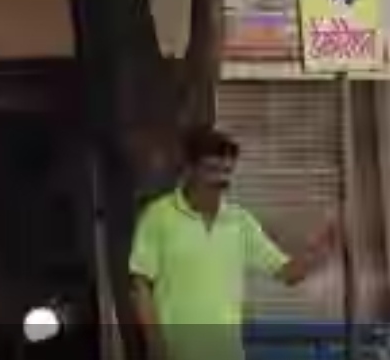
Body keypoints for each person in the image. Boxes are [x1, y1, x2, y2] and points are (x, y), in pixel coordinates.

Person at [129, 127, 338, 360]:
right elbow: (140, 287)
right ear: (190, 169)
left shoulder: (240, 222)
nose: (221, 180)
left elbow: (287, 273)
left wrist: (322, 250)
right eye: (212, 170)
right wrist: (155, 342)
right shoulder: (158, 217)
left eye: (227, 172)